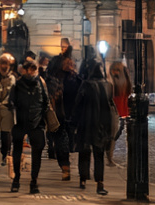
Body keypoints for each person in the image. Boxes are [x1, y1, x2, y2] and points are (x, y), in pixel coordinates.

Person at [71, 57, 118, 195]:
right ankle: (100, 183)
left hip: (86, 123)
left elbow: (78, 105)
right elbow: (110, 107)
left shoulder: (86, 85)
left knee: (84, 152)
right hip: (102, 124)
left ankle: (83, 179)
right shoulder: (108, 86)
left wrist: (73, 122)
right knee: (99, 155)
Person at [6, 59, 53, 194]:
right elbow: (11, 100)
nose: (32, 72)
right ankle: (16, 180)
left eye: (34, 69)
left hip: (36, 123)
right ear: (24, 70)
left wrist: (41, 115)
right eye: (30, 69)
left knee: (37, 152)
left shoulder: (40, 83)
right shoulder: (19, 84)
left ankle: (34, 181)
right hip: (20, 122)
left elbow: (46, 102)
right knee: (17, 151)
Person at [46, 54, 80, 181]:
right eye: (67, 63)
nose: (70, 65)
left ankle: (66, 166)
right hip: (58, 115)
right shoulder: (52, 80)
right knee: (61, 142)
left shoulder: (75, 79)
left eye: (71, 63)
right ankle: (65, 167)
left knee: (64, 143)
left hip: (71, 115)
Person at [108, 61, 131, 165]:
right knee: (114, 132)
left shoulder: (123, 80)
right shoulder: (112, 81)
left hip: (122, 108)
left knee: (118, 131)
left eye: (117, 70)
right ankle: (109, 154)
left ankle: (109, 153)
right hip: (115, 109)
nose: (115, 72)